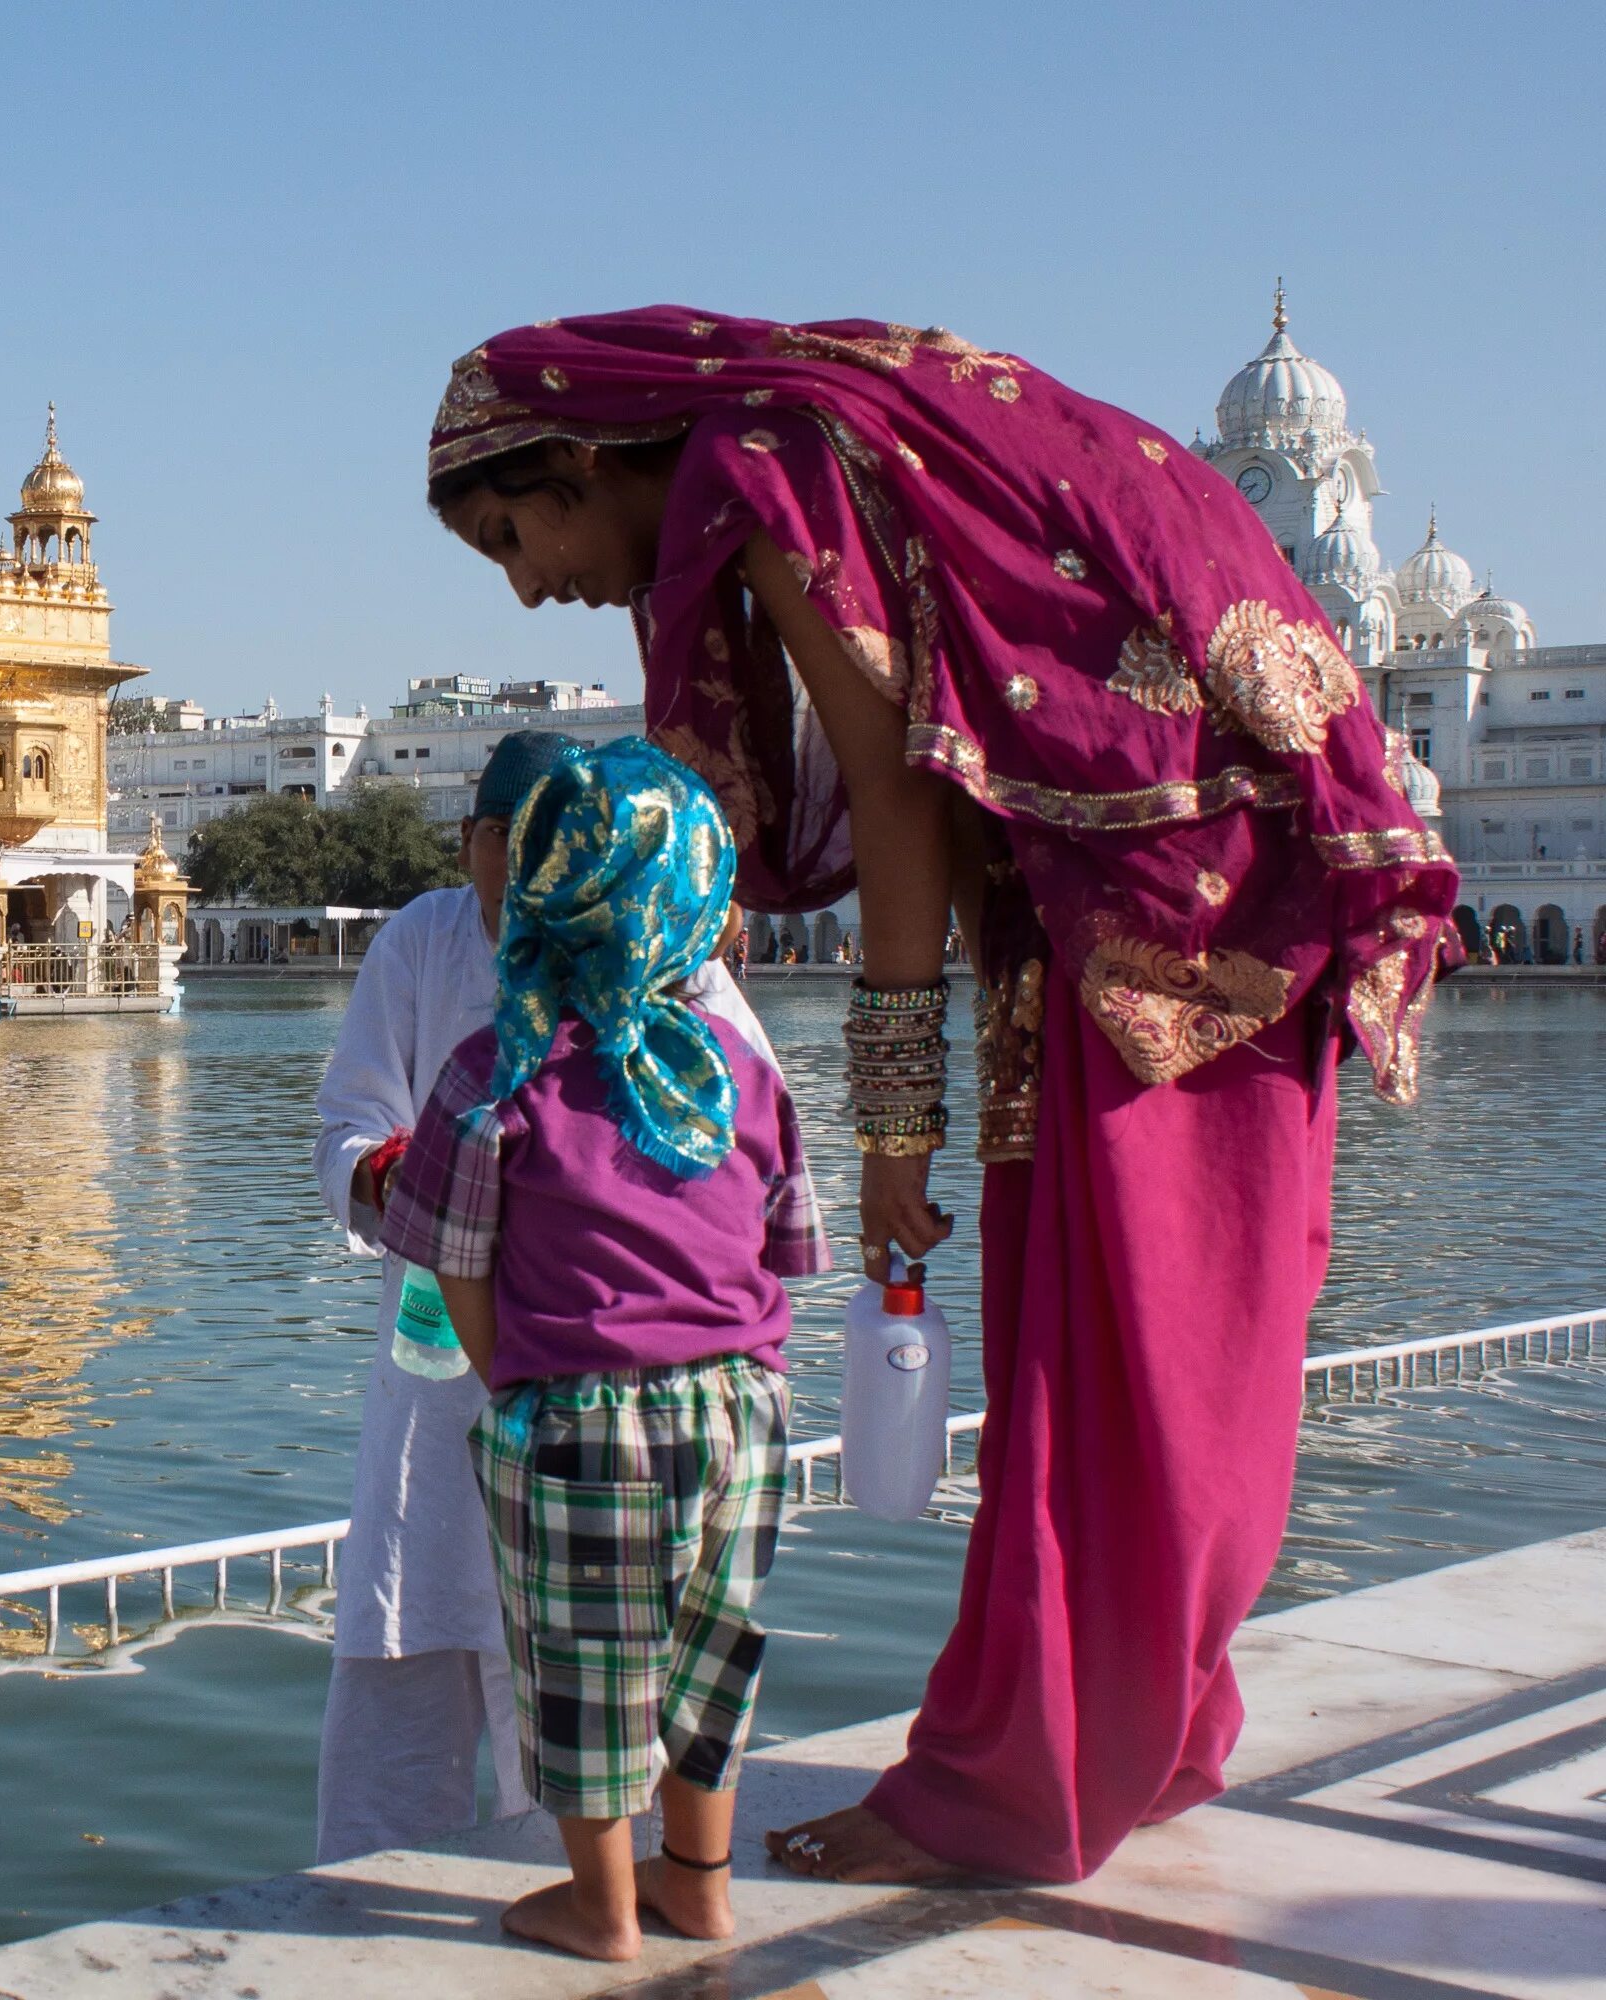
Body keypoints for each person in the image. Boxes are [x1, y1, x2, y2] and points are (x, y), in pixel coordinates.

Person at [426, 309, 1457, 1886]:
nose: (528, 583)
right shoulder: (835, 427)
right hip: (1218, 888)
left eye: (518, 530)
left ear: (581, 453)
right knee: (1188, 1360)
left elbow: (900, 799)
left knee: (1110, 1363)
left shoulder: (762, 467)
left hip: (1154, 919)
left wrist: (895, 1127)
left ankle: (1010, 1790)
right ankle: (1145, 1737)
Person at [310, 729, 800, 1866]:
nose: (521, 868)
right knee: (416, 1666)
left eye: (549, 843)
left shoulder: (674, 958)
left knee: (597, 1692)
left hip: (596, 1396)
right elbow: (345, 1131)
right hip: (453, 1394)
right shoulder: (422, 943)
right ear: (476, 842)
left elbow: (749, 1159)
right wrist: (403, 1181)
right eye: (504, 840)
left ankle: (604, 1897)